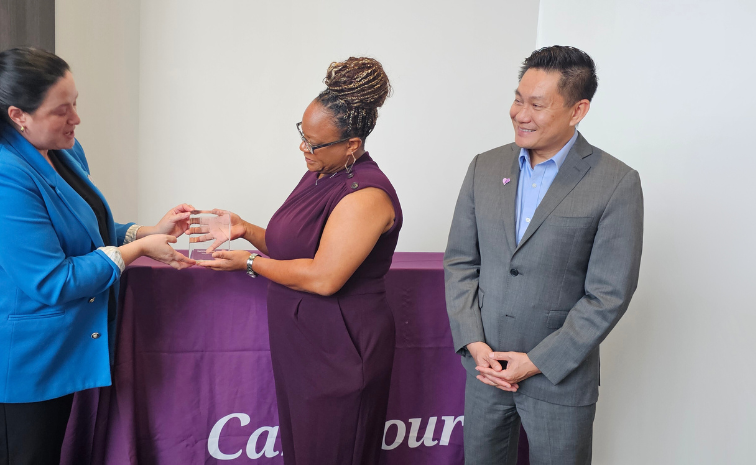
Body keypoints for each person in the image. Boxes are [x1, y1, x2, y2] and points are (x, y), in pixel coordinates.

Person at [0, 47, 195, 465]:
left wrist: (147, 231)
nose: (76, 118)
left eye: (75, 104)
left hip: (52, 353)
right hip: (12, 362)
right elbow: (51, 280)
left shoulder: (61, 150)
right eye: (62, 110)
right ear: (19, 115)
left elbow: (76, 232)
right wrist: (137, 250)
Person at [444, 45, 644, 464]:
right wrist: (474, 342)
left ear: (578, 110)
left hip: (560, 378)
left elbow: (608, 294)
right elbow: (462, 262)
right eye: (518, 99)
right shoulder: (484, 166)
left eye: (537, 104)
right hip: (486, 370)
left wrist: (537, 361)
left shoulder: (616, 183)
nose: (520, 114)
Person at [198, 57, 402, 464]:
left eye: (314, 142)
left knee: (334, 450)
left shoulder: (365, 195)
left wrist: (248, 263)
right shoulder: (322, 171)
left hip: (341, 347)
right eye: (302, 135)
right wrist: (246, 230)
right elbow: (298, 246)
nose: (303, 147)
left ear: (352, 146)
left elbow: (324, 276)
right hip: (305, 342)